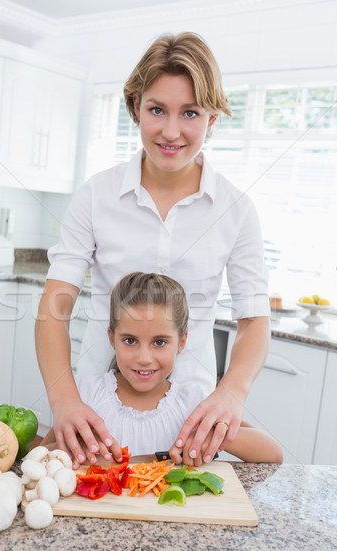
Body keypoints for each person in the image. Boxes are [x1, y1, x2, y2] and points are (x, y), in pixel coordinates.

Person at [35, 32, 270, 467]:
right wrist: (65, 399)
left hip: (191, 424)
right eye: (157, 110)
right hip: (95, 418)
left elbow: (254, 319)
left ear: (212, 119)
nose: (171, 131)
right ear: (135, 108)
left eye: (191, 113)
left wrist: (232, 393)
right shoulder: (97, 195)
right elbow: (55, 305)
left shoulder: (236, 209)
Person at [41, 273, 282, 468]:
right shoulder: (85, 395)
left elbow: (274, 453)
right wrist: (70, 449)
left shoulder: (193, 403)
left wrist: (213, 436)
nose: (144, 358)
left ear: (182, 342)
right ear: (112, 338)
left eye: (159, 342)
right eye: (130, 341)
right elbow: (38, 455)